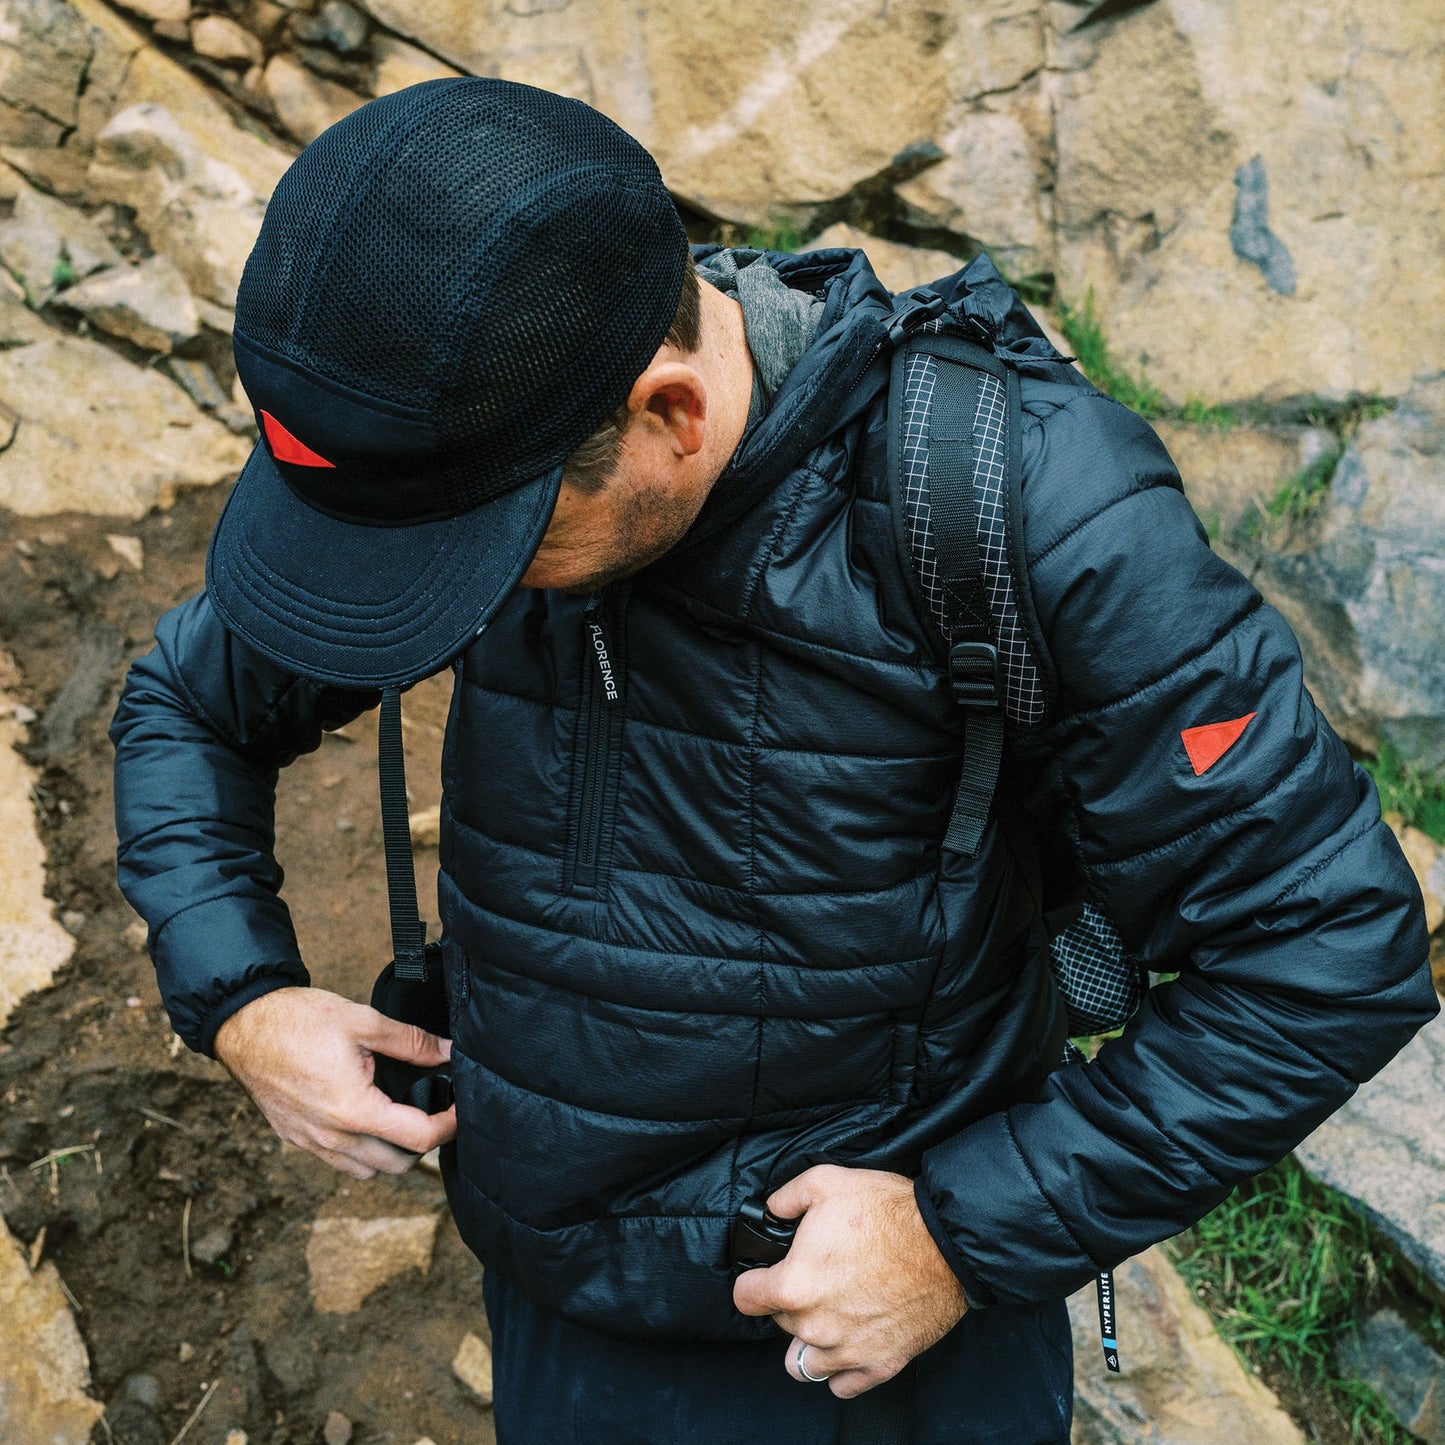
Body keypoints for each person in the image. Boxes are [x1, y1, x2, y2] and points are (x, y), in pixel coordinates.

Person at [110, 78, 1436, 1444]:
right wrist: (242, 1000)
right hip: (555, 1290)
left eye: (483, 564)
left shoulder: (1019, 507)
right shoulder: (469, 450)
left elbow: (1325, 946)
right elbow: (187, 701)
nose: (445, 603)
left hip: (873, 1335)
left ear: (671, 413)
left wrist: (956, 1236)